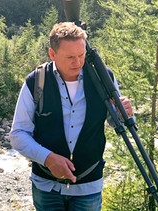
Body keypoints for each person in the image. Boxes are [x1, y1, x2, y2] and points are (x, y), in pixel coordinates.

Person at [9, 22, 134, 211]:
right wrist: (49, 159)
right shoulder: (36, 82)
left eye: (81, 55)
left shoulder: (102, 77)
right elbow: (18, 134)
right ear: (52, 54)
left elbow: (115, 119)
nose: (78, 62)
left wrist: (126, 112)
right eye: (70, 57)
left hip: (89, 185)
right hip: (46, 185)